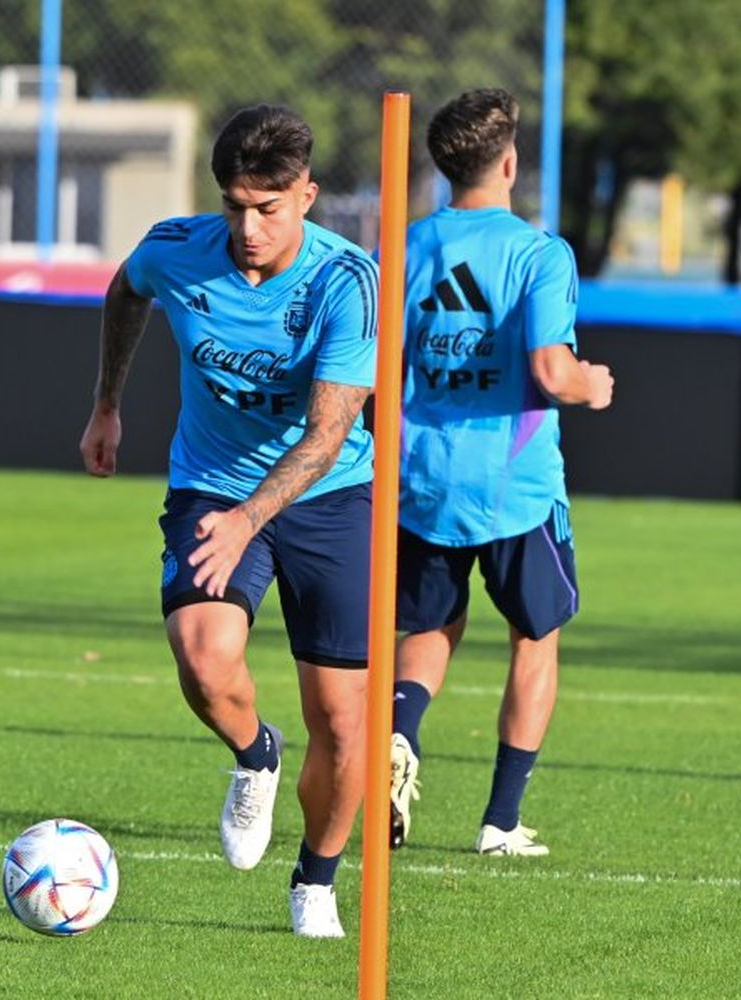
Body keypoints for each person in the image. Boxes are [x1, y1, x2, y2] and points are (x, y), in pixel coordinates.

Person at [80, 104, 378, 937]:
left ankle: (315, 881)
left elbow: (328, 435)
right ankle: (257, 754)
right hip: (211, 484)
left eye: (269, 209)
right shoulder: (177, 249)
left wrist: (253, 517)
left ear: (308, 196)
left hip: (330, 497)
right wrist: (107, 403)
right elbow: (124, 292)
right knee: (206, 667)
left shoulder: (345, 280)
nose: (249, 227)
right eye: (235, 206)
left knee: (346, 722)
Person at [387, 88, 613, 858]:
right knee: (534, 636)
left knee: (429, 626)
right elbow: (551, 371)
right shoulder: (539, 252)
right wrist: (593, 383)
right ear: (510, 162)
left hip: (419, 477)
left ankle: (399, 731)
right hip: (514, 482)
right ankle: (500, 821)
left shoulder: (403, 246)